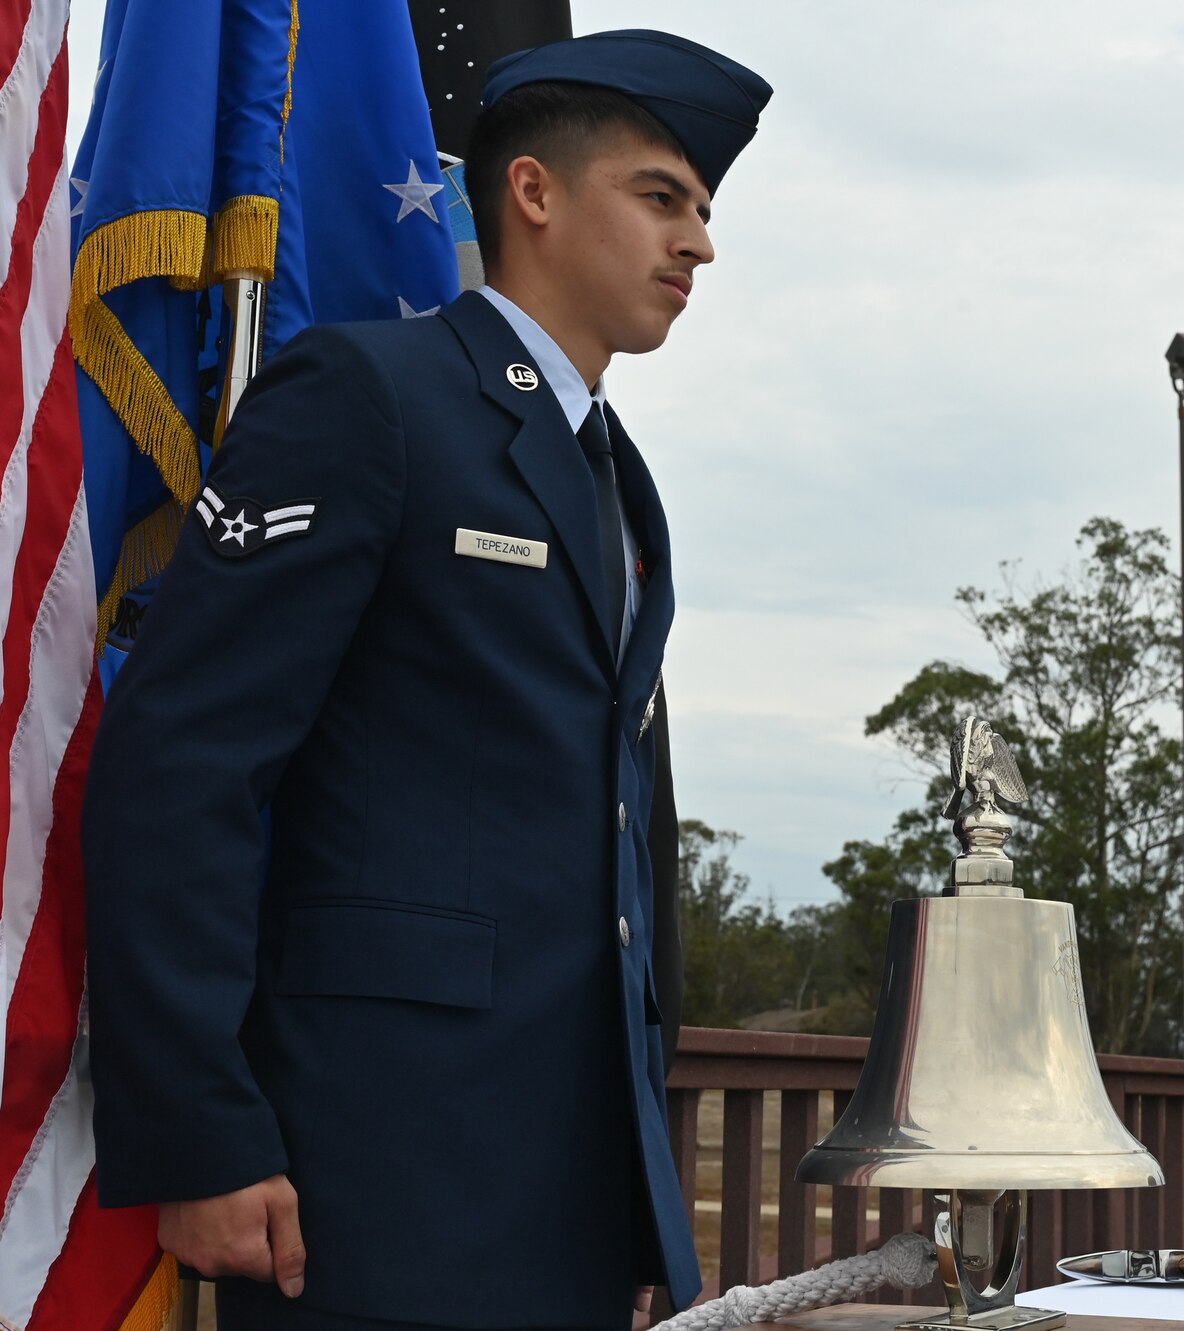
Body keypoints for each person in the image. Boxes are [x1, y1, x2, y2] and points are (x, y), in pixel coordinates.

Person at [81, 29, 772, 1331]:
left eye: (705, 211)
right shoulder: (368, 395)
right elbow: (184, 761)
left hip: (560, 1191)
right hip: (368, 1173)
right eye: (662, 197)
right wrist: (200, 1126)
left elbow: (622, 857)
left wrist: (636, 1206)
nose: (699, 245)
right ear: (535, 194)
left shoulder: (620, 483)